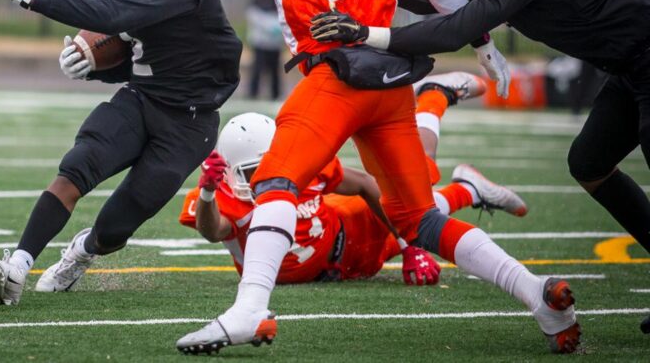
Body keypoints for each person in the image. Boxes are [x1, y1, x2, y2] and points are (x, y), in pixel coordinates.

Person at [67, 0, 578, 355]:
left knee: (275, 180)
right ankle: (538, 295)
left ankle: (248, 310)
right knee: (420, 215)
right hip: (389, 77)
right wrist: (484, 45)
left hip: (335, 76)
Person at [310, 0, 650, 334]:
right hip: (630, 63)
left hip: (645, 52)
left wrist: (368, 33)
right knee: (590, 164)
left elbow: (455, 29)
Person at [0, 0, 242, 306]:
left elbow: (111, 19)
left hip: (188, 124)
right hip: (141, 100)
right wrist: (93, 69)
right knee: (75, 168)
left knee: (117, 224)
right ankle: (16, 268)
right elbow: (141, 56)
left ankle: (81, 253)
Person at [179, 73, 527, 287]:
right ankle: (468, 189)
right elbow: (213, 230)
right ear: (228, 172)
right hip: (343, 264)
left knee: (417, 189)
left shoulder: (301, 163)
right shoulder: (220, 194)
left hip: (351, 229)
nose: (266, 178)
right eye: (254, 172)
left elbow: (365, 184)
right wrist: (207, 193)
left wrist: (410, 249)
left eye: (268, 165)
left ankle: (435, 96)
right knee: (425, 208)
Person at [246, 0, 283, 99]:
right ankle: (253, 93)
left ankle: (275, 94)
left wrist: (277, 28)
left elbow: (283, 16)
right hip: (260, 42)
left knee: (275, 71)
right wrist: (269, 27)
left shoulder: (278, 0)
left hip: (274, 44)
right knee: (257, 69)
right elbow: (253, 16)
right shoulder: (257, 0)